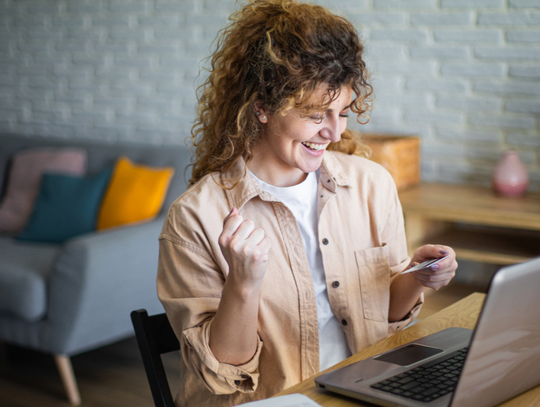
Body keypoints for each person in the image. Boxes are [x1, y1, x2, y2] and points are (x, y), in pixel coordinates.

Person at [157, 1, 458, 406]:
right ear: (261, 107)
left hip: (364, 386)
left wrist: (416, 277)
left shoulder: (372, 186)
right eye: (317, 115)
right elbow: (224, 376)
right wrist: (242, 285)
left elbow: (385, 317)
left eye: (343, 112)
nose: (333, 133)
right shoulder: (195, 218)